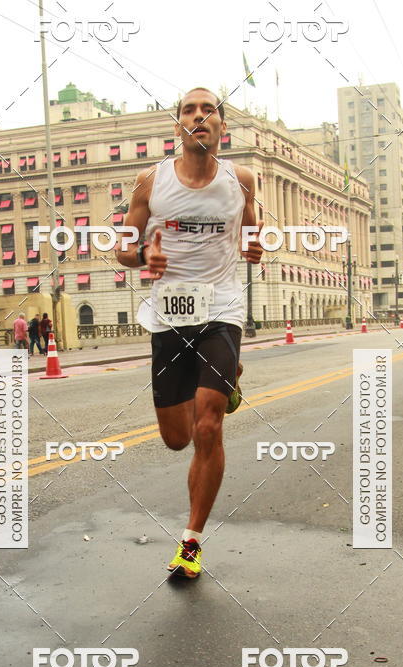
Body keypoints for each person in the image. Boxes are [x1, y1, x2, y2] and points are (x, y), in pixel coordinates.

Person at [116, 86, 263, 578]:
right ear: (177, 124)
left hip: (222, 308)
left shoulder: (242, 179)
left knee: (208, 425)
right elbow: (123, 249)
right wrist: (144, 255)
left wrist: (254, 246)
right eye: (188, 109)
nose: (198, 115)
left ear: (223, 125)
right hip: (170, 314)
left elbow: (251, 228)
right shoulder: (150, 181)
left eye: (208, 109)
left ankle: (191, 542)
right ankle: (228, 375)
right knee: (177, 439)